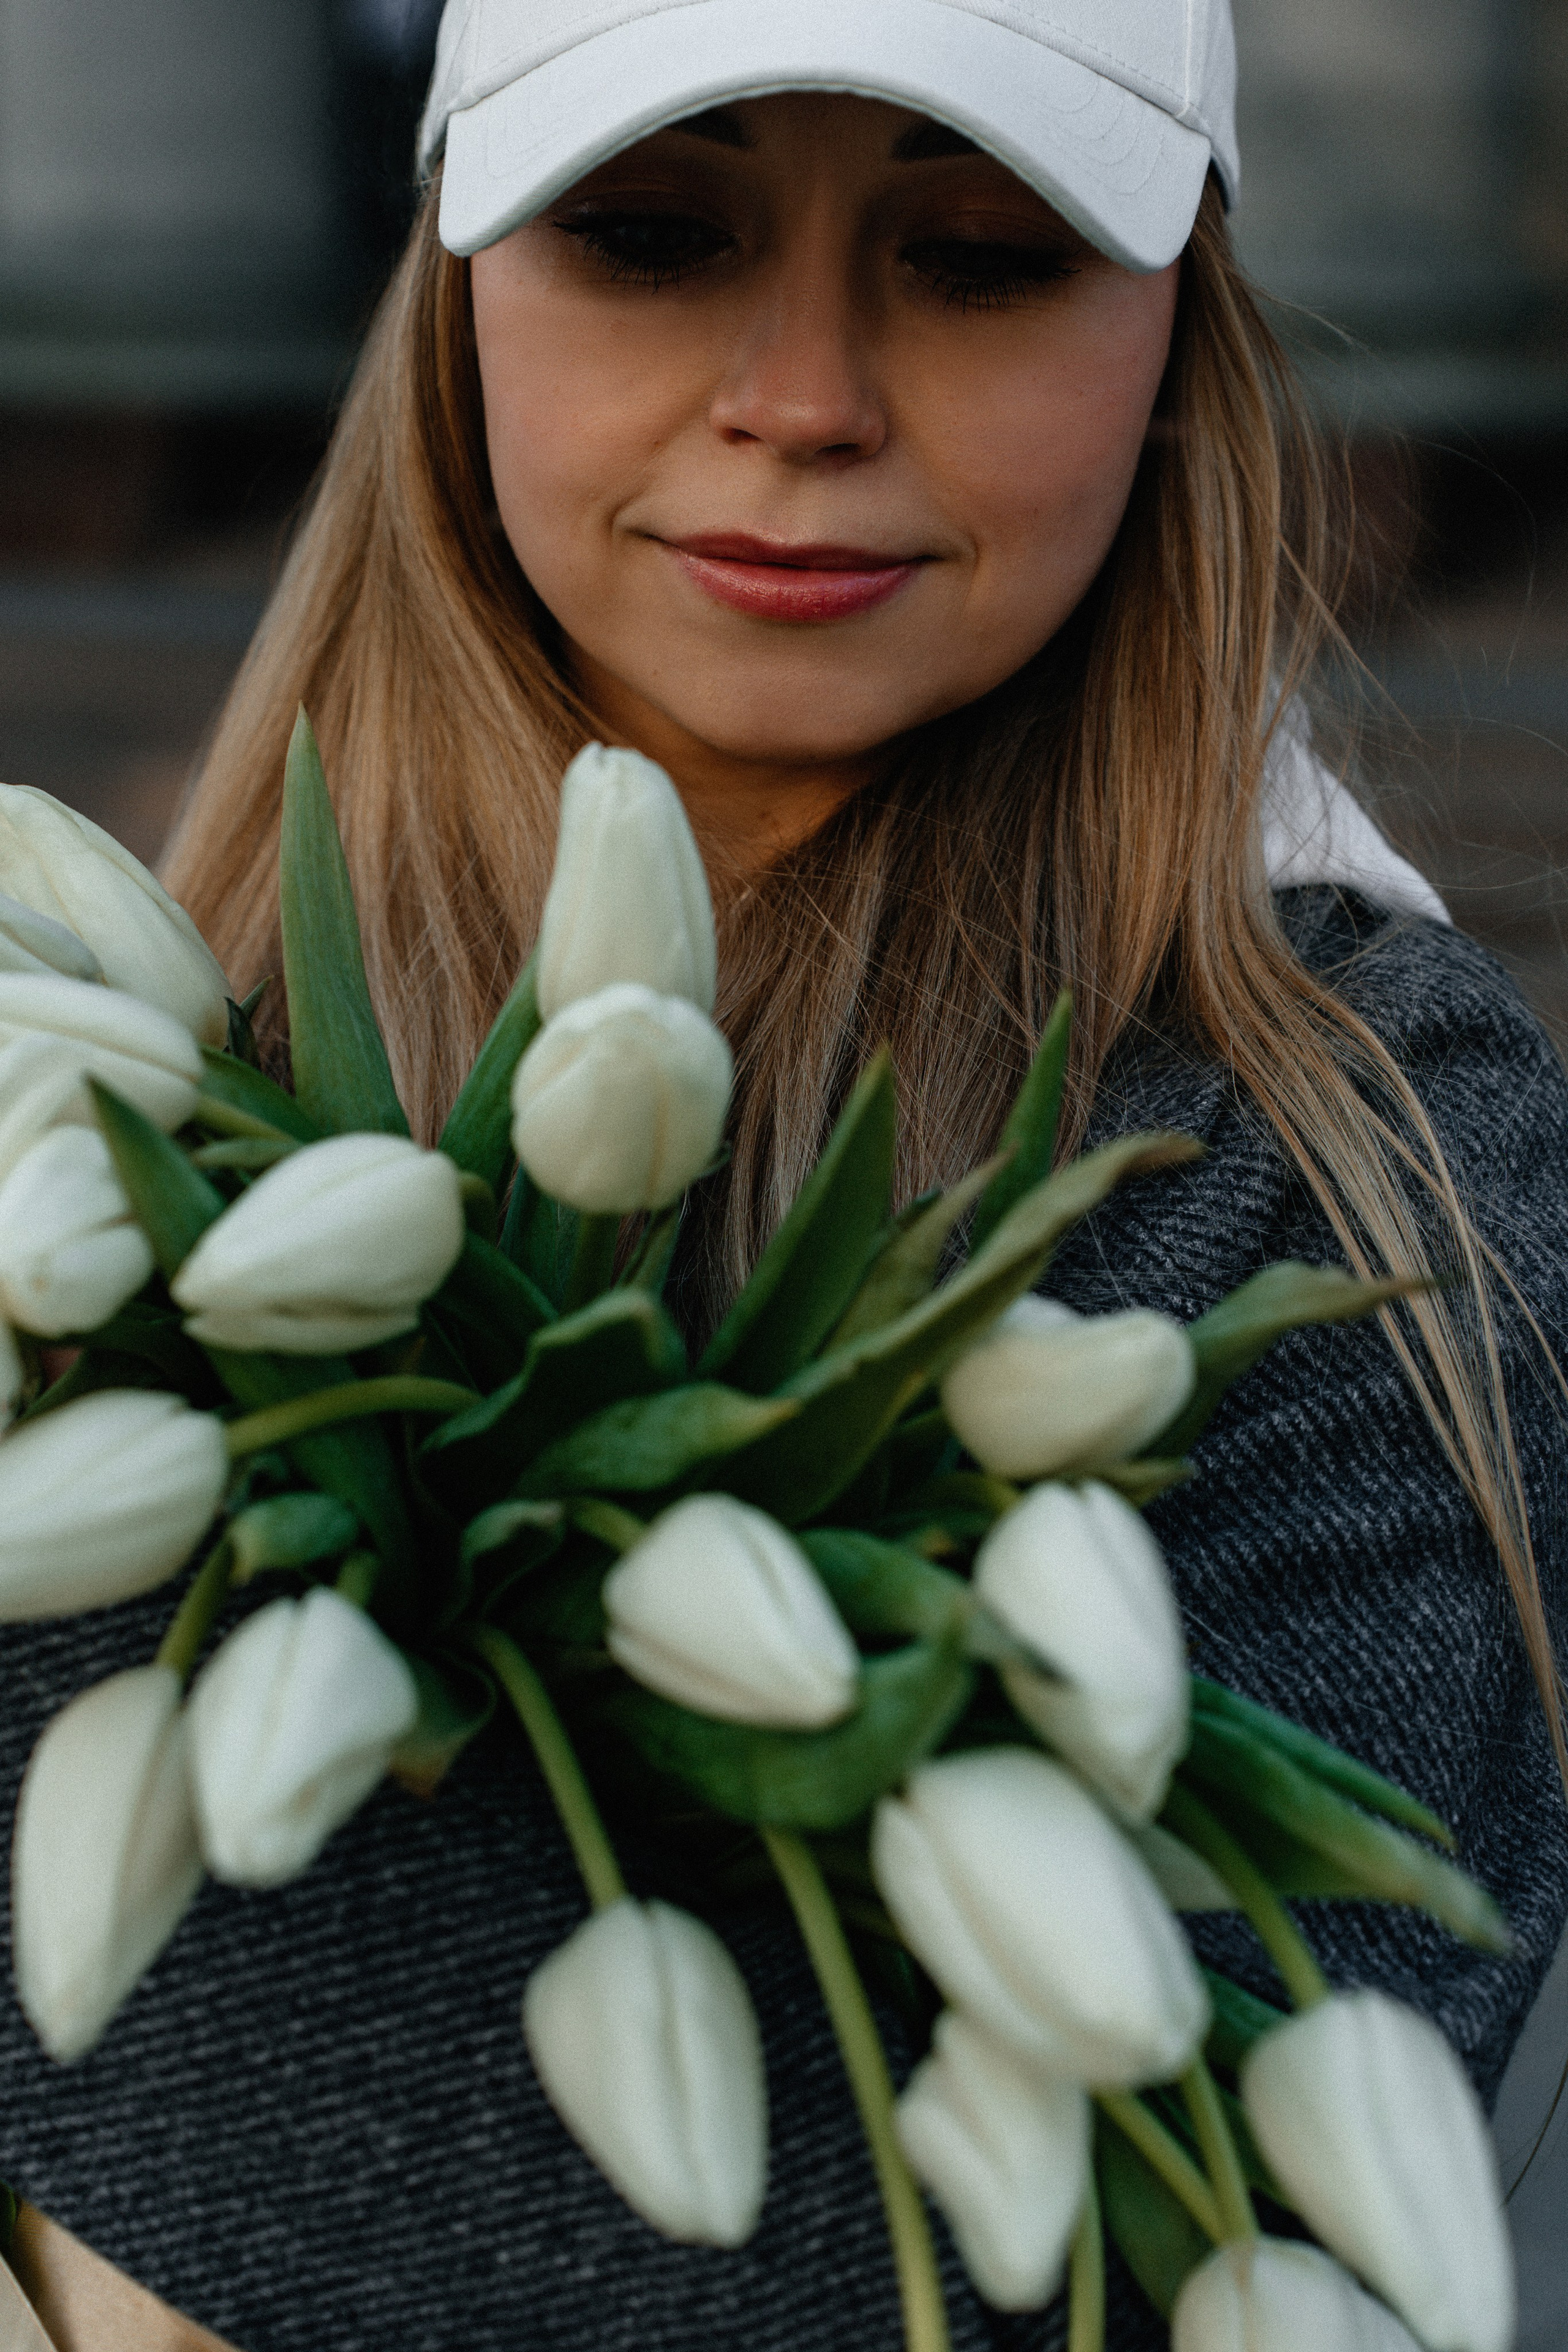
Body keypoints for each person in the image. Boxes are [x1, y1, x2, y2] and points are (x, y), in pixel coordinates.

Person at [4, 2, 1566, 2346]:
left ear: (1175, 334)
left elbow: (938, 2273)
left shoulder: (1358, 1161)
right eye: (652, 231)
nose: (807, 396)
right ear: (455, 296)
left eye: (979, 257)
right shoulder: (129, 1082)